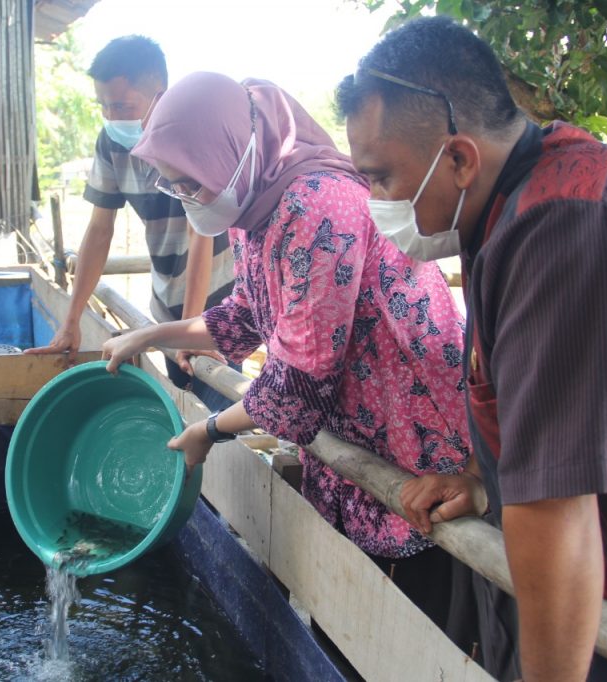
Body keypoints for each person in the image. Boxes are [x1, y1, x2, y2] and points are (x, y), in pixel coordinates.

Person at [337, 16, 607, 682]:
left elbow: (557, 508)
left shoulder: (566, 225)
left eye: (380, 177)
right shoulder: (502, 205)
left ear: (460, 157)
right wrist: (479, 478)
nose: (373, 201)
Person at [101, 71, 484, 643]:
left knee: (413, 632)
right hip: (361, 432)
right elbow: (247, 316)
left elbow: (298, 379)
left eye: (191, 184)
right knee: (349, 624)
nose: (187, 200)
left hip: (417, 433)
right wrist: (153, 334)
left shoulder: (316, 207)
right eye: (176, 187)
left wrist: (209, 428)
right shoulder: (259, 209)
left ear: (235, 153)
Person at [26, 36, 235, 410]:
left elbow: (200, 232)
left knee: (215, 413)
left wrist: (191, 325)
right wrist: (71, 319)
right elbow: (99, 229)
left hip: (217, 303)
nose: (110, 116)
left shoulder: (188, 136)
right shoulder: (111, 144)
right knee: (182, 406)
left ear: (159, 92)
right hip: (167, 299)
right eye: (103, 105)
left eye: (121, 105)